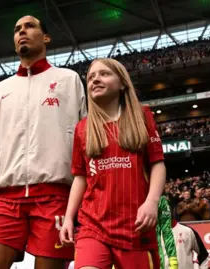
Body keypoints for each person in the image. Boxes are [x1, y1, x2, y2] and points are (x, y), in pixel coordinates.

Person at [0, 15, 86, 269]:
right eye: (17, 29)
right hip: (6, 201)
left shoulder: (70, 80)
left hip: (55, 198)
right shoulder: (0, 90)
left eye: (30, 26)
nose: (22, 32)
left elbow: (90, 139)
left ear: (46, 37)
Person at [59, 58, 166, 269]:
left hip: (135, 227)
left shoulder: (142, 117)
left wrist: (152, 202)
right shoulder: (82, 128)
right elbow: (80, 178)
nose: (95, 80)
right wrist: (69, 218)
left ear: (123, 83)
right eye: (90, 77)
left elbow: (157, 164)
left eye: (104, 74)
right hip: (93, 225)